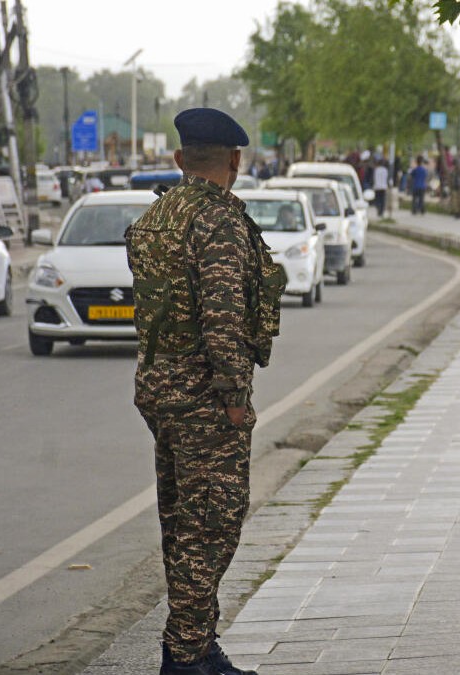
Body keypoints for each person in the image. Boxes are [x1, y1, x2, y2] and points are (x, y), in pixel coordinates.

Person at [126, 107, 286, 675]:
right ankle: (186, 654)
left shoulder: (159, 215)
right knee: (212, 522)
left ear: (178, 159)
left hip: (159, 387)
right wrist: (236, 399)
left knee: (180, 520)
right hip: (204, 398)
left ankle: (195, 645)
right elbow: (222, 319)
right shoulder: (216, 221)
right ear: (235, 161)